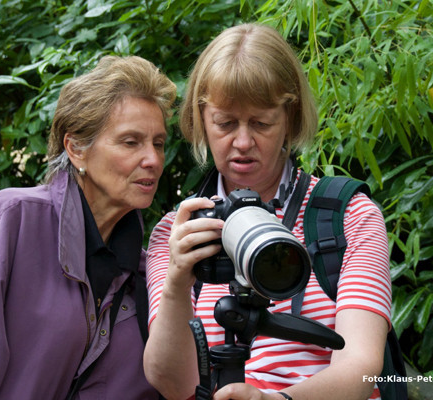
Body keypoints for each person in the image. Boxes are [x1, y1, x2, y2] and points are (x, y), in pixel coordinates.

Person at [0, 55, 176, 399]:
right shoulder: (10, 222)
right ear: (76, 149)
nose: (152, 159)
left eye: (158, 143)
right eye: (131, 142)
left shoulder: (148, 274)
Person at [144, 23, 391, 400]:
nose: (242, 142)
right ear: (201, 120)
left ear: (289, 119)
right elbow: (173, 385)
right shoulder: (179, 230)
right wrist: (178, 279)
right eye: (225, 123)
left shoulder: (346, 217)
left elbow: (361, 367)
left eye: (261, 122)